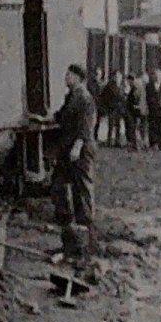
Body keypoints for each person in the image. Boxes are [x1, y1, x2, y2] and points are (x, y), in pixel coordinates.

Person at [51, 64, 97, 242]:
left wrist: (78, 146)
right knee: (60, 181)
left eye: (69, 75)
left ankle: (85, 221)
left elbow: (86, 125)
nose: (66, 77)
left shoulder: (84, 97)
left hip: (80, 148)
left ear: (78, 78)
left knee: (81, 185)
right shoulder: (71, 96)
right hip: (68, 147)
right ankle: (64, 217)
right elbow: (63, 116)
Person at [146, 69, 161, 151]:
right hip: (152, 109)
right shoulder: (149, 86)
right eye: (155, 75)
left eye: (158, 75)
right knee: (153, 126)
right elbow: (147, 97)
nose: (157, 77)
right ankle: (153, 143)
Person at [101, 70, 124, 146]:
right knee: (111, 125)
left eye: (119, 76)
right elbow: (104, 97)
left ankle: (117, 140)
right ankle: (109, 140)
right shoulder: (110, 86)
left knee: (118, 125)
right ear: (113, 77)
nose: (118, 78)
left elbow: (121, 96)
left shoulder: (120, 85)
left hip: (118, 108)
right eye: (117, 76)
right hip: (112, 107)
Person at [124, 73, 147, 150]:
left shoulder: (137, 87)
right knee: (137, 128)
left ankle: (137, 145)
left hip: (137, 111)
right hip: (137, 110)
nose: (129, 83)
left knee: (136, 128)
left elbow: (137, 99)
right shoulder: (136, 87)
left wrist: (137, 106)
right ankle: (138, 144)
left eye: (129, 81)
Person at [89, 68, 105, 140]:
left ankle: (96, 135)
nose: (98, 76)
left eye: (99, 74)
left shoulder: (101, 84)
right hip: (93, 105)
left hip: (99, 105)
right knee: (92, 121)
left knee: (98, 121)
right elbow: (92, 94)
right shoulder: (91, 84)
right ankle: (92, 136)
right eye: (97, 74)